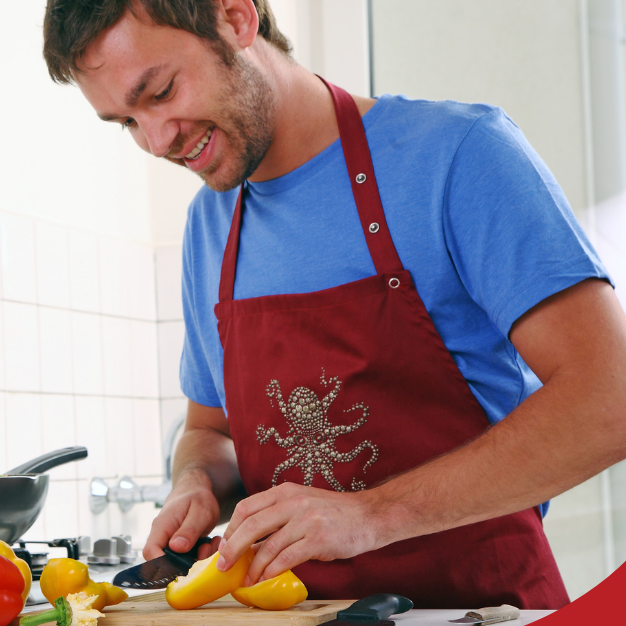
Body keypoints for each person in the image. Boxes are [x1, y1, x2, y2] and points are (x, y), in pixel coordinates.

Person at [43, 0, 626, 609]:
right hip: (300, 616)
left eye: (160, 92)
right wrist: (195, 481)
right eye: (126, 122)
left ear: (236, 19)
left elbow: (609, 398)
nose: (157, 141)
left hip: (481, 610)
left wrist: (370, 516)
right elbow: (210, 430)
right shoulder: (210, 225)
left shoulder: (458, 155)